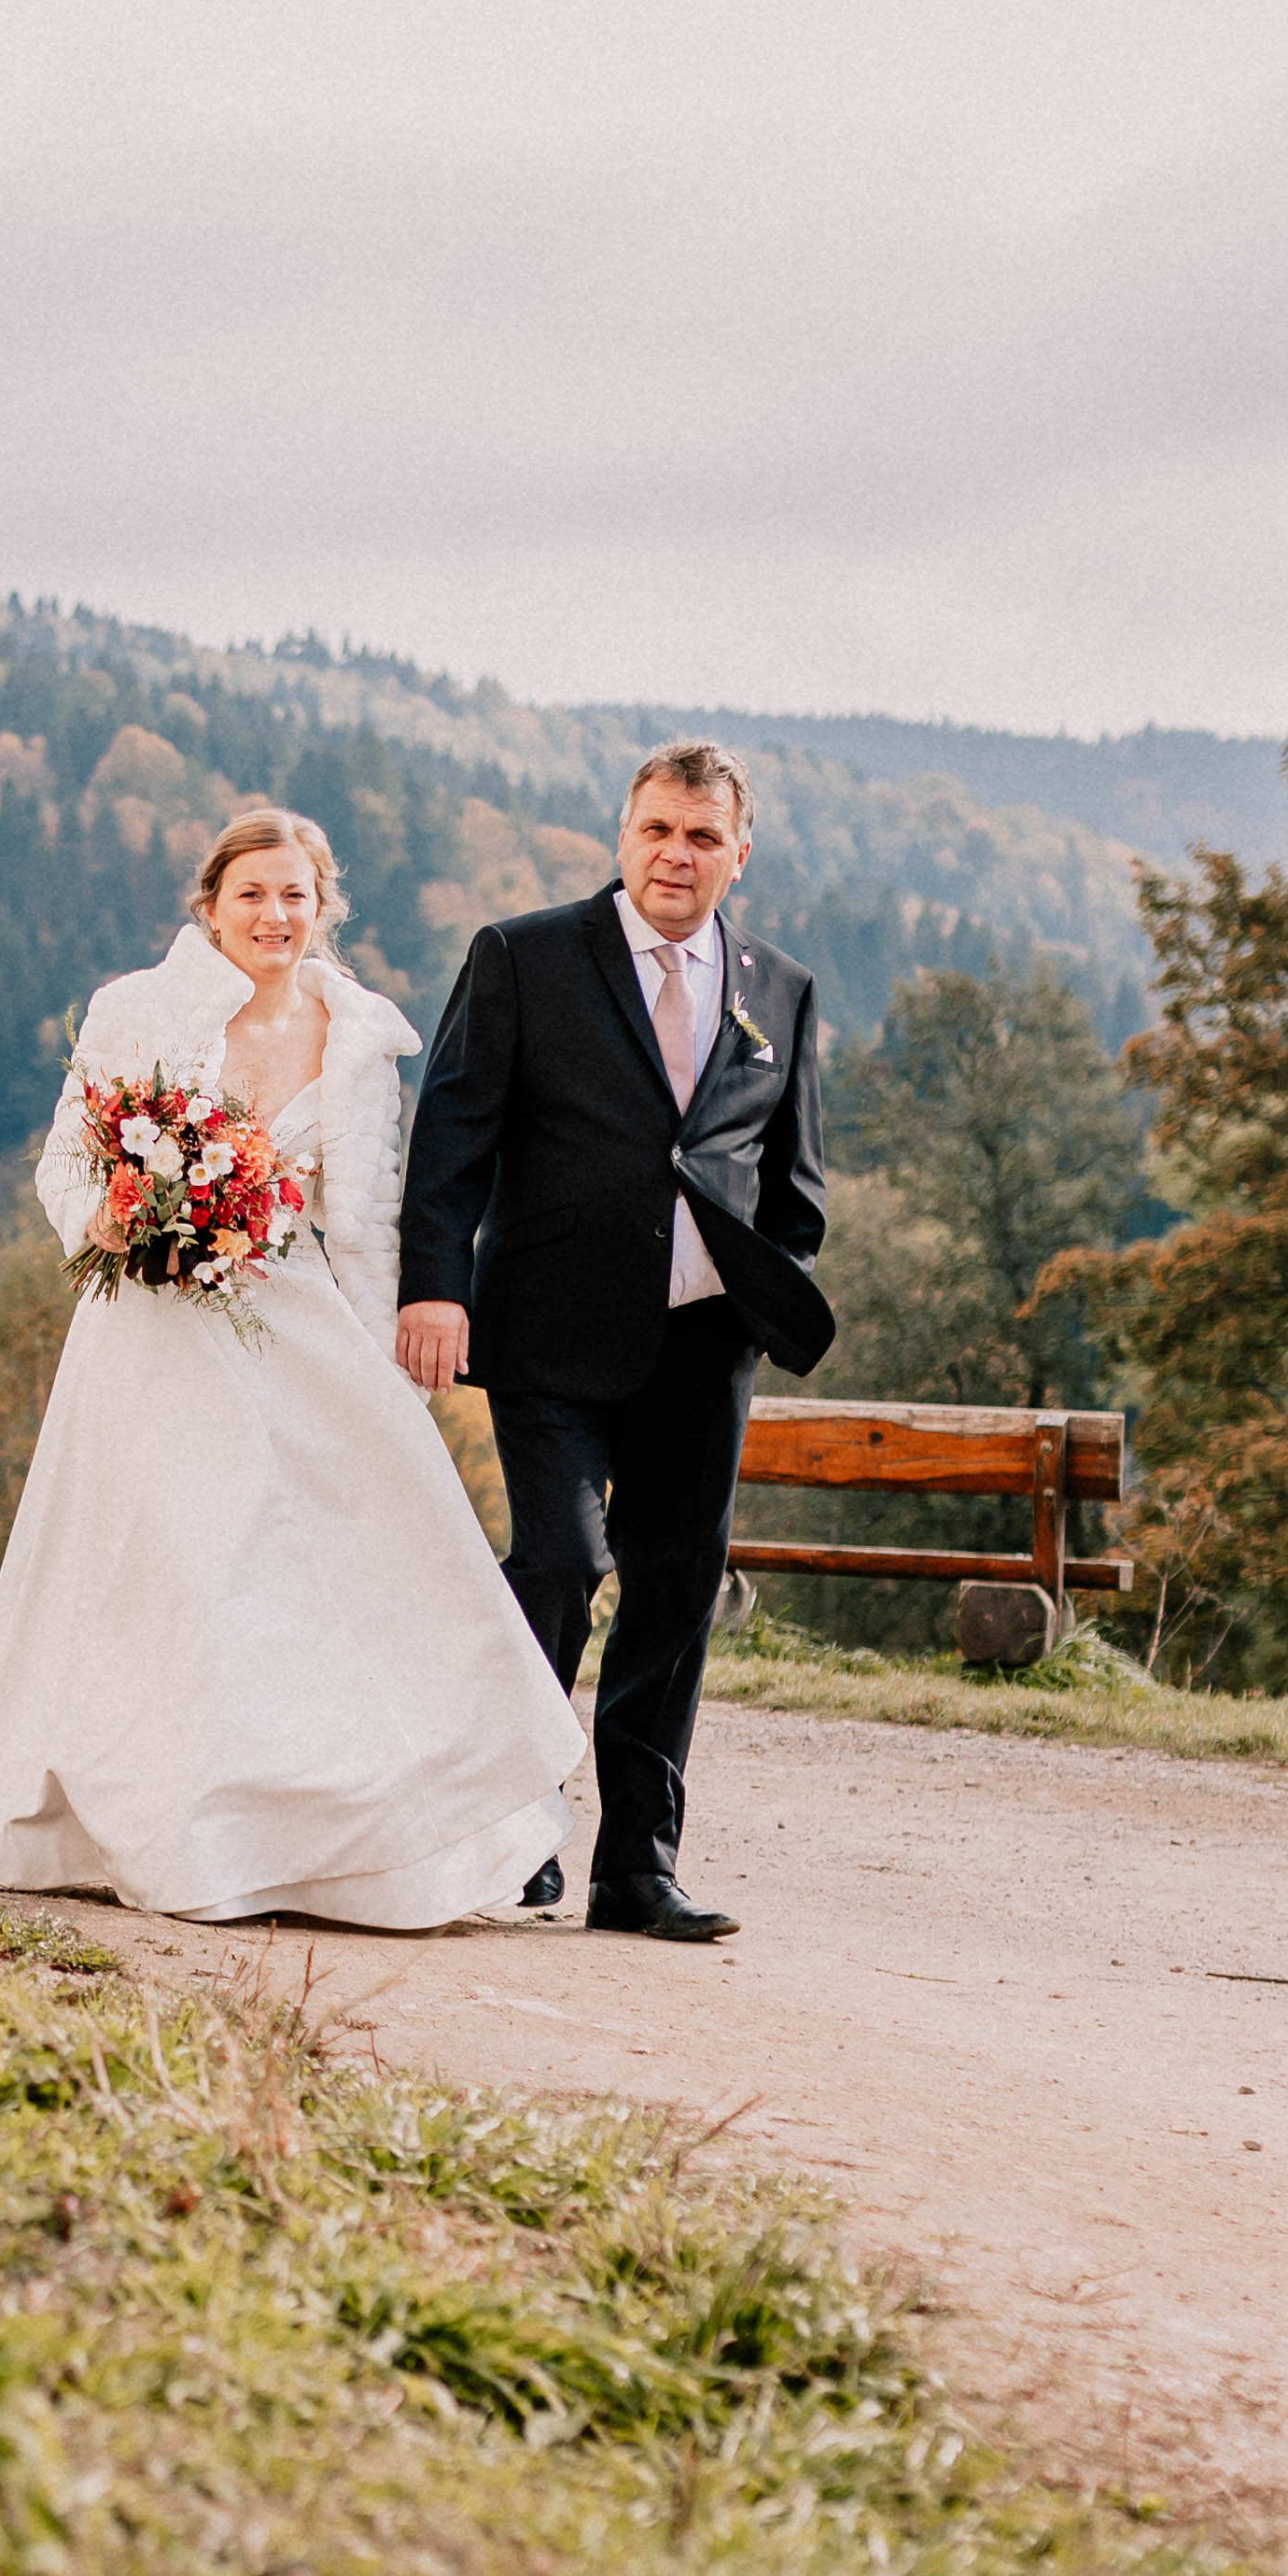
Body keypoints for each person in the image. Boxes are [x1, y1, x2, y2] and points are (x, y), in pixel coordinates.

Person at [0, 809, 581, 1924]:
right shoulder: (135, 1009)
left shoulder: (359, 1036)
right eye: (252, 895)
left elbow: (364, 1215)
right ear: (211, 906)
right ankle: (171, 1825)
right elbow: (65, 1162)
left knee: (343, 1564)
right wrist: (119, 1219)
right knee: (182, 1569)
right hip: (153, 1325)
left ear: (323, 909)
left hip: (294, 1318)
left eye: (294, 897)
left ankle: (332, 1835)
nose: (274, 916)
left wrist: (381, 1367)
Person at [394, 743, 835, 1944]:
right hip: (548, 1330)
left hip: (705, 1344)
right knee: (558, 1560)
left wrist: (768, 1292)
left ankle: (636, 1869)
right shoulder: (523, 956)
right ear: (622, 834)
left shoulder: (781, 988)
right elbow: (452, 1137)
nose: (673, 856)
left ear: (739, 854)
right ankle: (509, 1826)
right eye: (655, 830)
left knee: (676, 1591)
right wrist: (433, 1290)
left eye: (701, 837)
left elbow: (792, 1177)